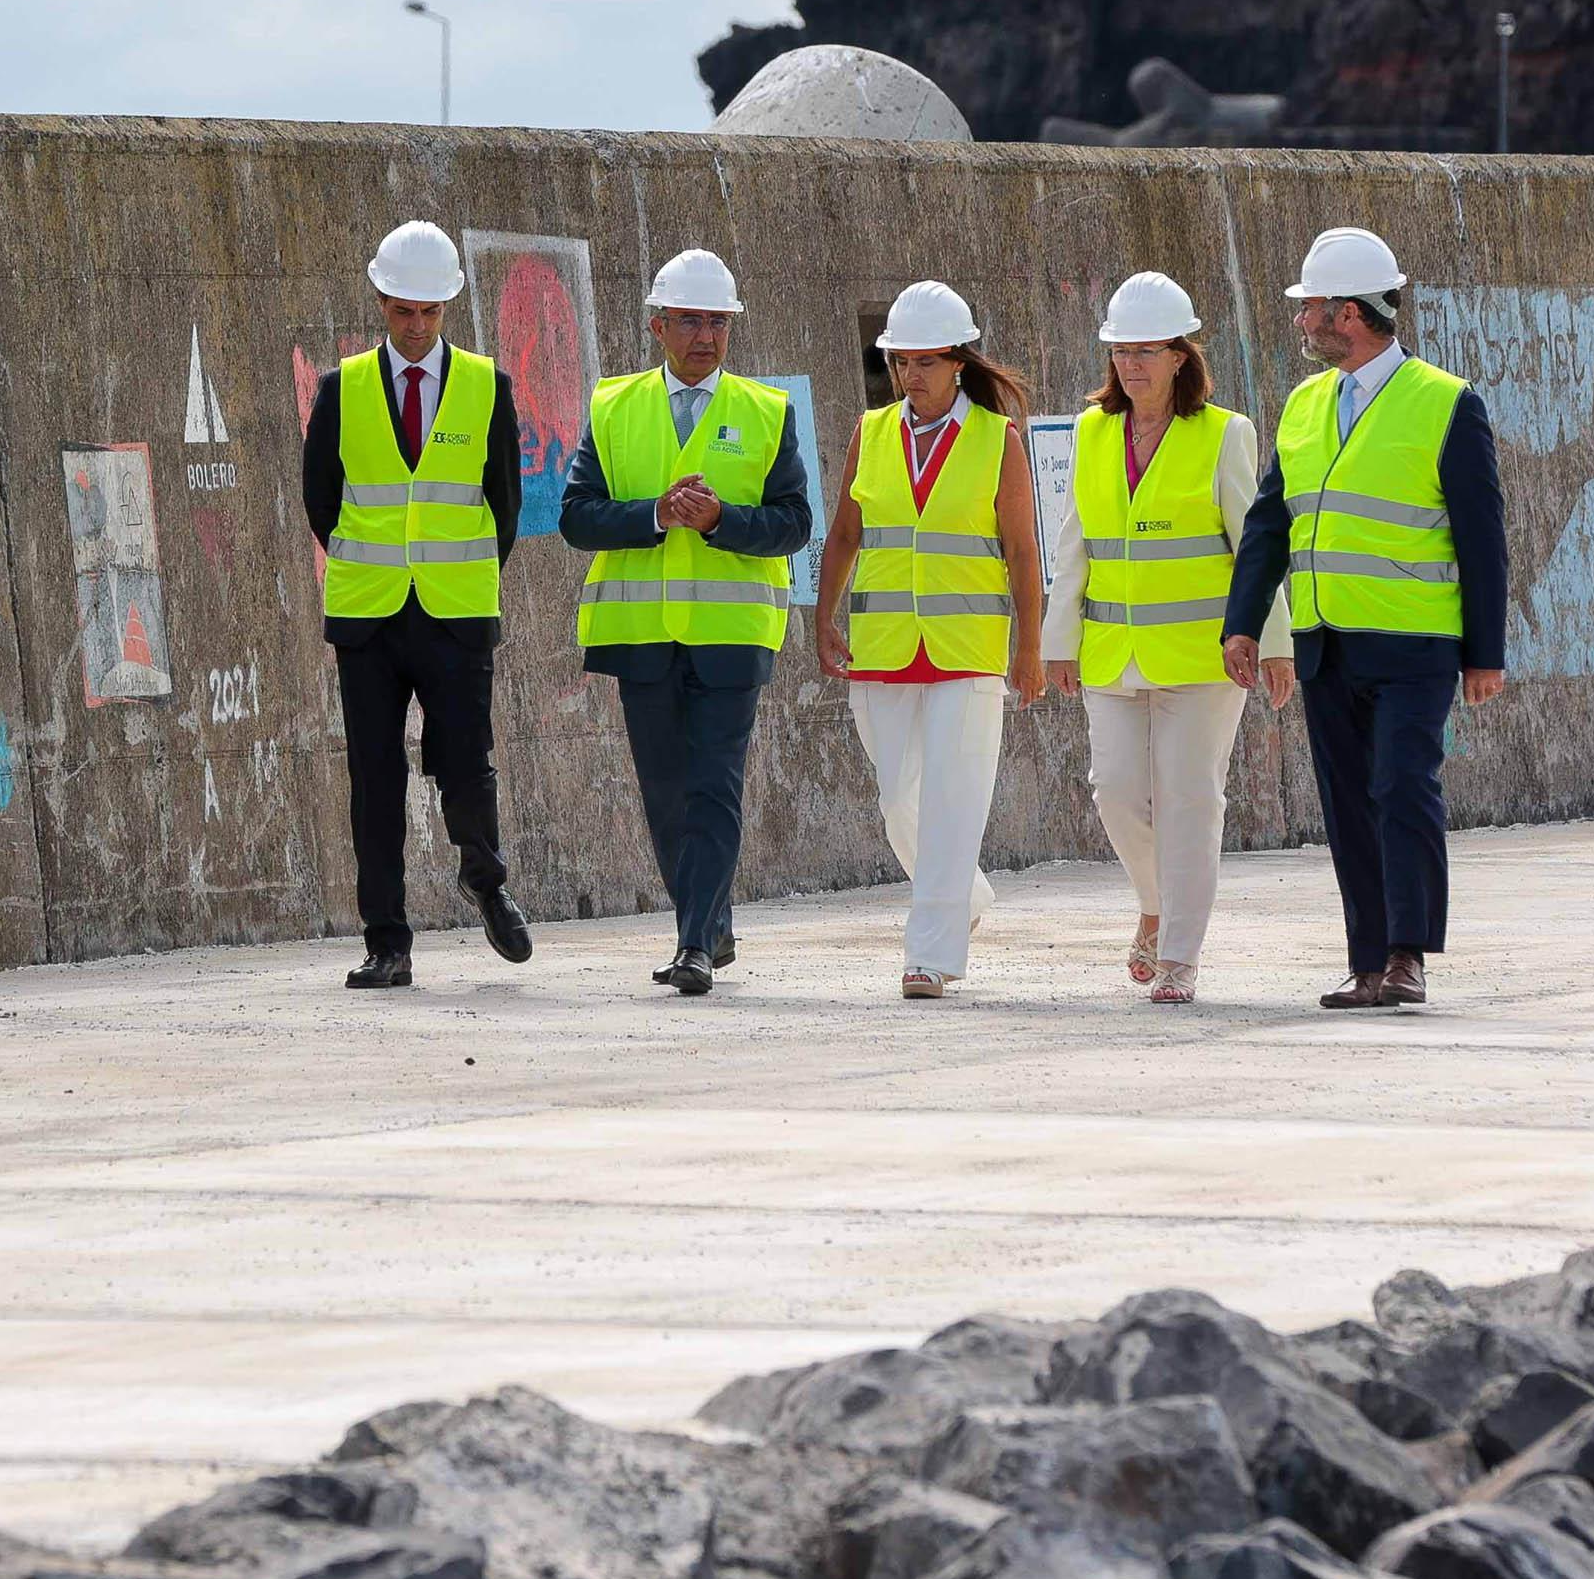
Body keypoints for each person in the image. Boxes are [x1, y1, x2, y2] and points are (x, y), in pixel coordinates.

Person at [1220, 227, 1509, 1010]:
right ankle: (1366, 960)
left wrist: (1485, 654)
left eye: (1308, 307)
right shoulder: (1305, 405)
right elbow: (1269, 523)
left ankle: (1408, 954)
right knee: (1348, 802)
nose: (1300, 321)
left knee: (1402, 786)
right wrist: (1242, 624)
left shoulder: (1445, 403)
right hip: (1325, 644)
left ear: (1347, 312)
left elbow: (1482, 538)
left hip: (1415, 643)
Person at [561, 247, 814, 996]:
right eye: (689, 320)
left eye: (717, 321)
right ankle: (708, 922)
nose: (704, 335)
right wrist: (653, 513)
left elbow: (794, 522)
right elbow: (576, 518)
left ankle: (694, 944)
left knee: (713, 786)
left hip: (731, 642)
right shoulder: (612, 405)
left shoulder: (766, 412)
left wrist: (718, 521)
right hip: (640, 640)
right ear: (656, 324)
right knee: (665, 791)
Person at [1042, 272, 1292, 1006]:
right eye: (1120, 350)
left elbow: (1257, 548)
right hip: (1110, 653)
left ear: (1180, 355)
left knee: (1188, 798)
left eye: (1146, 350)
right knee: (1114, 792)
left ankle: (1179, 951)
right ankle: (1155, 902)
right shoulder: (1089, 431)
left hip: (1202, 660)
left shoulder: (1223, 434)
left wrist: (1270, 640)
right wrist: (1059, 640)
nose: (1130, 364)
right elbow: (1073, 541)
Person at [300, 219, 534, 988]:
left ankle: (485, 879)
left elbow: (504, 503)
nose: (415, 326)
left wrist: (457, 578)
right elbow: (319, 502)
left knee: (467, 762)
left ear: (447, 310)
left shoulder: (485, 386)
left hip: (455, 612)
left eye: (429, 313)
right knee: (375, 779)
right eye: (402, 311)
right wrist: (379, 567)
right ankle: (387, 942)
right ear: (379, 301)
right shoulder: (340, 390)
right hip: (367, 616)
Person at [812, 283, 1047, 999]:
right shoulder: (870, 431)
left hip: (966, 649)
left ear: (957, 363)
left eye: (924, 361)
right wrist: (823, 617)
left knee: (953, 799)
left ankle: (930, 954)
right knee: (896, 802)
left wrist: (1030, 649)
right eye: (898, 361)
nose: (909, 375)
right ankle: (963, 899)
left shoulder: (994, 438)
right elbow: (847, 533)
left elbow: (1021, 550)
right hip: (882, 646)